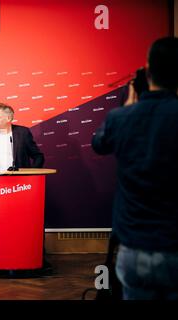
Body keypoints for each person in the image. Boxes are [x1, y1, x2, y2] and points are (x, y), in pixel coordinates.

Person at [92, 37, 178, 300]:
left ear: (147, 69)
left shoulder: (121, 118)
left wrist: (127, 107)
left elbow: (99, 143)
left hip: (133, 246)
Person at [0, 103, 44, 203]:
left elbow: (38, 156)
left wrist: (31, 176)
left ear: (9, 118)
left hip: (21, 186)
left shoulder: (23, 133)